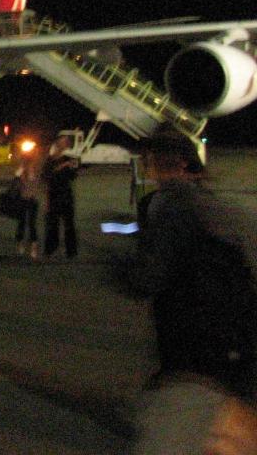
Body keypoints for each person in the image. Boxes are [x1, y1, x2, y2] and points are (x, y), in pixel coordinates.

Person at [122, 130, 257, 455]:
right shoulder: (218, 207)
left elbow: (146, 278)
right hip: (235, 352)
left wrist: (122, 263)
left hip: (196, 356)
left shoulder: (172, 206)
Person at [44, 133, 80, 259]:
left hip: (66, 195)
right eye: (62, 142)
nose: (64, 144)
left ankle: (71, 251)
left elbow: (73, 176)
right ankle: (51, 250)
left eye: (66, 142)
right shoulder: (51, 159)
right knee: (53, 224)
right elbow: (46, 175)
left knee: (69, 225)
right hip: (54, 194)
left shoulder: (68, 158)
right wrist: (63, 166)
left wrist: (73, 167)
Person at [13, 151, 42, 260]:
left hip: (32, 200)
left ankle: (33, 247)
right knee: (21, 223)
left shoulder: (36, 171)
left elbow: (35, 183)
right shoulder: (22, 171)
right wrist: (19, 174)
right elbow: (16, 184)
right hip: (22, 200)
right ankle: (21, 244)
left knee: (32, 224)